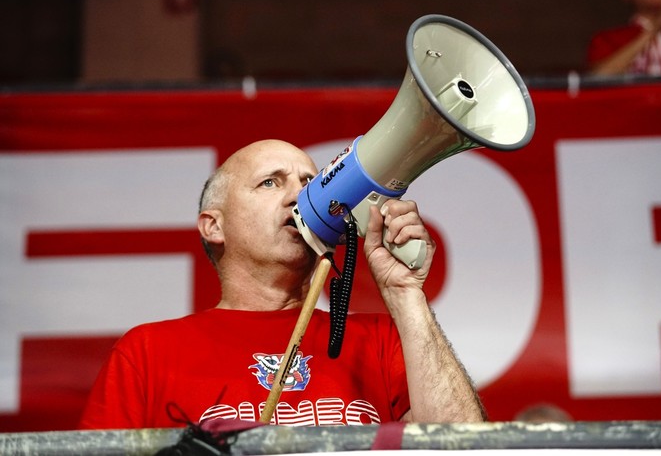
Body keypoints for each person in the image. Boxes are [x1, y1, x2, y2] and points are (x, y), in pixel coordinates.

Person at [79, 139, 486, 429]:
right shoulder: (147, 353)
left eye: (311, 183)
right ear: (214, 226)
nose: (300, 197)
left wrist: (405, 294)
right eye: (270, 182)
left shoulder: (380, 340)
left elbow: (463, 448)